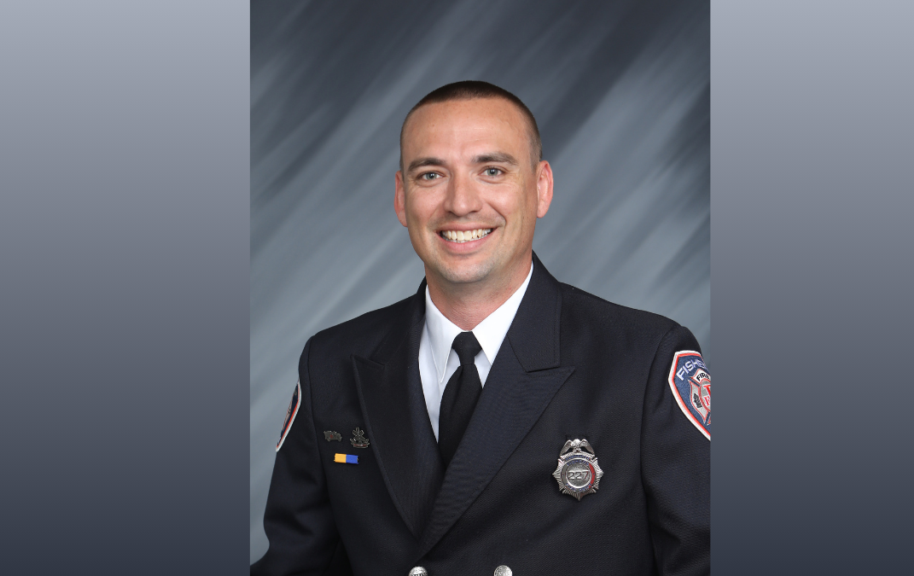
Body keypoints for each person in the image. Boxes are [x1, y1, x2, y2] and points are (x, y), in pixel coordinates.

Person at [252, 81, 710, 576]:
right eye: (431, 175)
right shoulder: (331, 365)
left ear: (541, 188)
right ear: (402, 198)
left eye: (491, 171)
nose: (461, 203)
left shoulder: (643, 362)